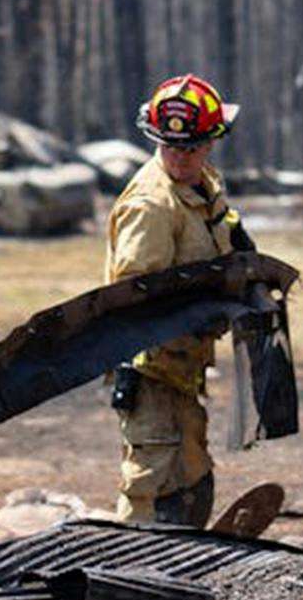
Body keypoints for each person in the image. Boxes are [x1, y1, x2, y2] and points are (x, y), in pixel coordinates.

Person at [103, 74, 247, 527]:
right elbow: (132, 297)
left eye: (192, 147)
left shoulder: (202, 184)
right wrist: (203, 310)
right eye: (170, 146)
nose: (180, 157)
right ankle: (129, 578)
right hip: (150, 368)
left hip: (182, 366)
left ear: (211, 142)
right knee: (150, 481)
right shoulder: (151, 206)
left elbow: (216, 233)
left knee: (190, 474)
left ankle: (182, 561)